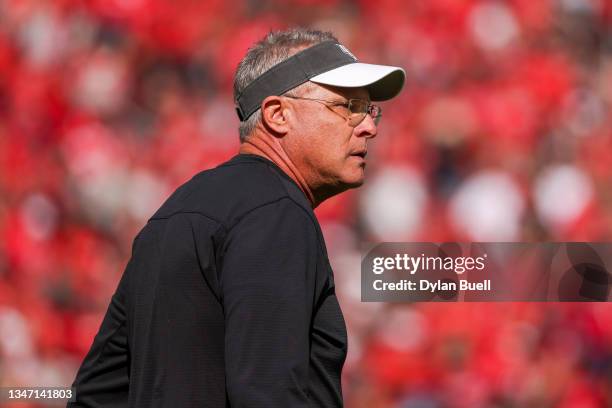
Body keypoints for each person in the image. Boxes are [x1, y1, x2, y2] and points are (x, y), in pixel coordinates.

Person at [68, 28, 405, 407]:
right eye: (350, 107)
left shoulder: (176, 211)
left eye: (370, 109)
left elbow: (93, 395)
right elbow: (267, 395)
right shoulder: (277, 213)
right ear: (278, 114)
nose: (369, 126)